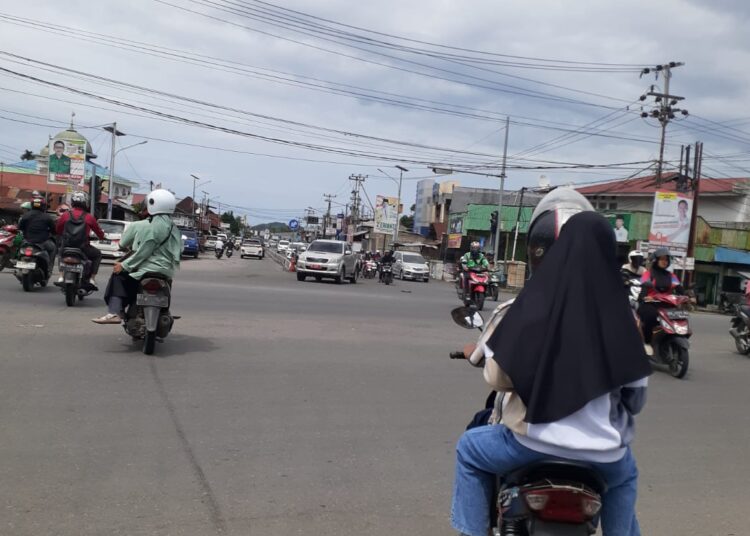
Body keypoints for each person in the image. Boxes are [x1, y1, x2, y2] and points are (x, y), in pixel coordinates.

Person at [451, 189, 651, 536]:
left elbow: (498, 379)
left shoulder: (526, 307)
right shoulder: (625, 318)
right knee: (625, 476)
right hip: (605, 455)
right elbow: (635, 401)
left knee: (469, 450)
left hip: (529, 445)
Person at [93, 189, 181, 324]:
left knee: (118, 275)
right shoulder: (173, 227)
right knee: (168, 284)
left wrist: (124, 265)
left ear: (151, 204)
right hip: (166, 271)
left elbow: (144, 251)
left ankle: (114, 312)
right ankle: (165, 310)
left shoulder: (154, 226)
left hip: (145, 269)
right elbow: (179, 250)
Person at [638, 248, 682, 356]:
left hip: (667, 304)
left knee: (680, 317)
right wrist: (645, 297)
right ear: (655, 260)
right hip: (651, 304)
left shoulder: (672, 276)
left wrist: (687, 296)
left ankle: (676, 339)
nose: (664, 261)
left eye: (666, 260)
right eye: (662, 259)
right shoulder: (648, 274)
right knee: (650, 317)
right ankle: (647, 342)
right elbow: (643, 290)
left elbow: (679, 288)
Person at [55, 191, 105, 287]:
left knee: (61, 254)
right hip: (83, 248)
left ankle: (61, 276)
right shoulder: (89, 217)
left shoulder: (65, 215)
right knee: (97, 255)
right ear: (86, 202)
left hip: (67, 246)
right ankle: (92, 279)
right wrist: (102, 237)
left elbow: (58, 230)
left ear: (72, 202)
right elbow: (99, 232)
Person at [18, 196, 57, 265]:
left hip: (27, 240)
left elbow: (20, 227)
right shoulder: (47, 217)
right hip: (42, 242)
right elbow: (53, 230)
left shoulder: (25, 215)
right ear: (43, 206)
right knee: (53, 248)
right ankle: (50, 267)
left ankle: (17, 260)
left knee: (18, 246)